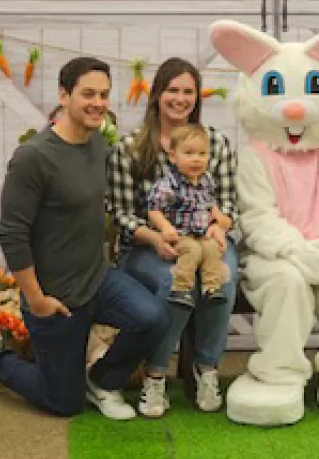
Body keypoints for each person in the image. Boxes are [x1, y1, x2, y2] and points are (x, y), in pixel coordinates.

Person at [0, 56, 169, 420]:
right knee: (62, 402)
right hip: (55, 297)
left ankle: (102, 381)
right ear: (63, 95)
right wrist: (36, 299)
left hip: (96, 279)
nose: (98, 103)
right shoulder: (33, 157)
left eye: (104, 94)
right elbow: (11, 233)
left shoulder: (98, 145)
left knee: (153, 318)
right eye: (88, 94)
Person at [107, 57, 238, 418]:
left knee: (222, 278)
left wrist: (220, 226)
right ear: (157, 95)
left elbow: (229, 201)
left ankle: (206, 369)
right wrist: (155, 238)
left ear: (197, 97)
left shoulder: (216, 143)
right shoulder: (131, 148)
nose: (180, 99)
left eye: (188, 91)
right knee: (173, 282)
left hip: (207, 239)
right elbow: (121, 214)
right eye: (172, 90)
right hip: (149, 245)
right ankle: (155, 374)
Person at [147, 124, 228, 307]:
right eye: (189, 153)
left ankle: (211, 288)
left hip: (201, 232)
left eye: (202, 154)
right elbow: (153, 209)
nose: (196, 159)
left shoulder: (206, 180)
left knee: (212, 248)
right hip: (179, 234)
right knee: (192, 250)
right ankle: (181, 288)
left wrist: (219, 220)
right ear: (173, 156)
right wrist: (165, 227)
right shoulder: (169, 183)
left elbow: (210, 203)